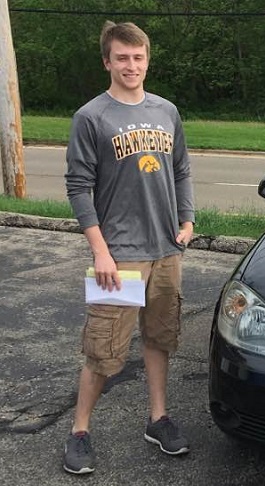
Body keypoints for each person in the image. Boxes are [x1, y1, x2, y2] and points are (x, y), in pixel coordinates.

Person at [63, 20, 195, 475]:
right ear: (107, 61)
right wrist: (99, 250)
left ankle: (157, 420)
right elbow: (79, 187)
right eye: (122, 57)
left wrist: (187, 217)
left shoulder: (166, 111)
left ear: (147, 60)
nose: (131, 65)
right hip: (119, 256)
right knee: (103, 351)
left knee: (159, 339)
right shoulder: (91, 117)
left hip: (165, 250)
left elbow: (180, 169)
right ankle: (79, 430)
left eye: (138, 57)